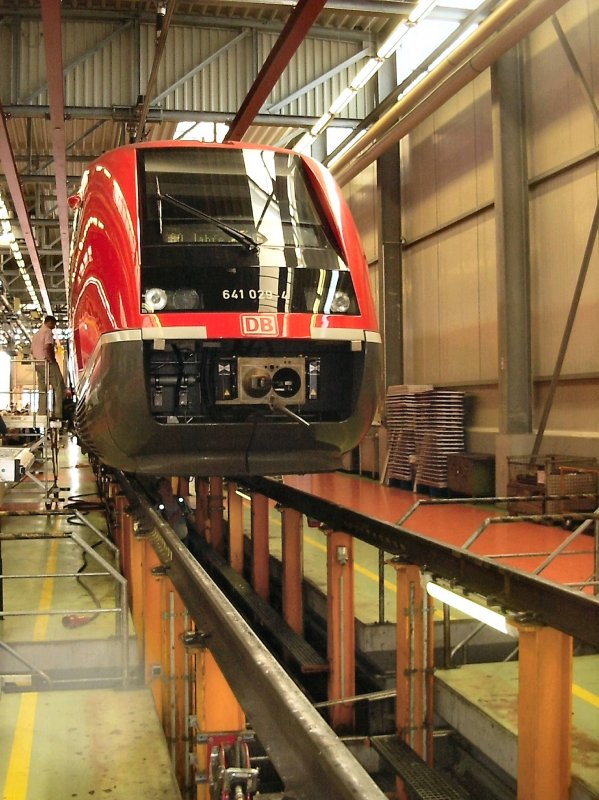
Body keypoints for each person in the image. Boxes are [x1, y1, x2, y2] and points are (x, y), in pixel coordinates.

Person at [30, 315, 66, 418]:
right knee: (59, 385)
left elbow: (32, 351)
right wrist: (52, 360)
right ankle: (58, 413)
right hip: (47, 363)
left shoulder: (36, 334)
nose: (54, 327)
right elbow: (47, 347)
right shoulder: (48, 332)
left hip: (38, 363)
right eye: (54, 324)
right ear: (50, 322)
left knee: (42, 389)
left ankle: (42, 412)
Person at [156, 477, 190, 542]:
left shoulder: (181, 502)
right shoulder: (159, 508)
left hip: (184, 540)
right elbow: (161, 528)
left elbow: (191, 518)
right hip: (169, 542)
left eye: (168, 484)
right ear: (159, 491)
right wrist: (175, 518)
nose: (167, 486)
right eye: (164, 485)